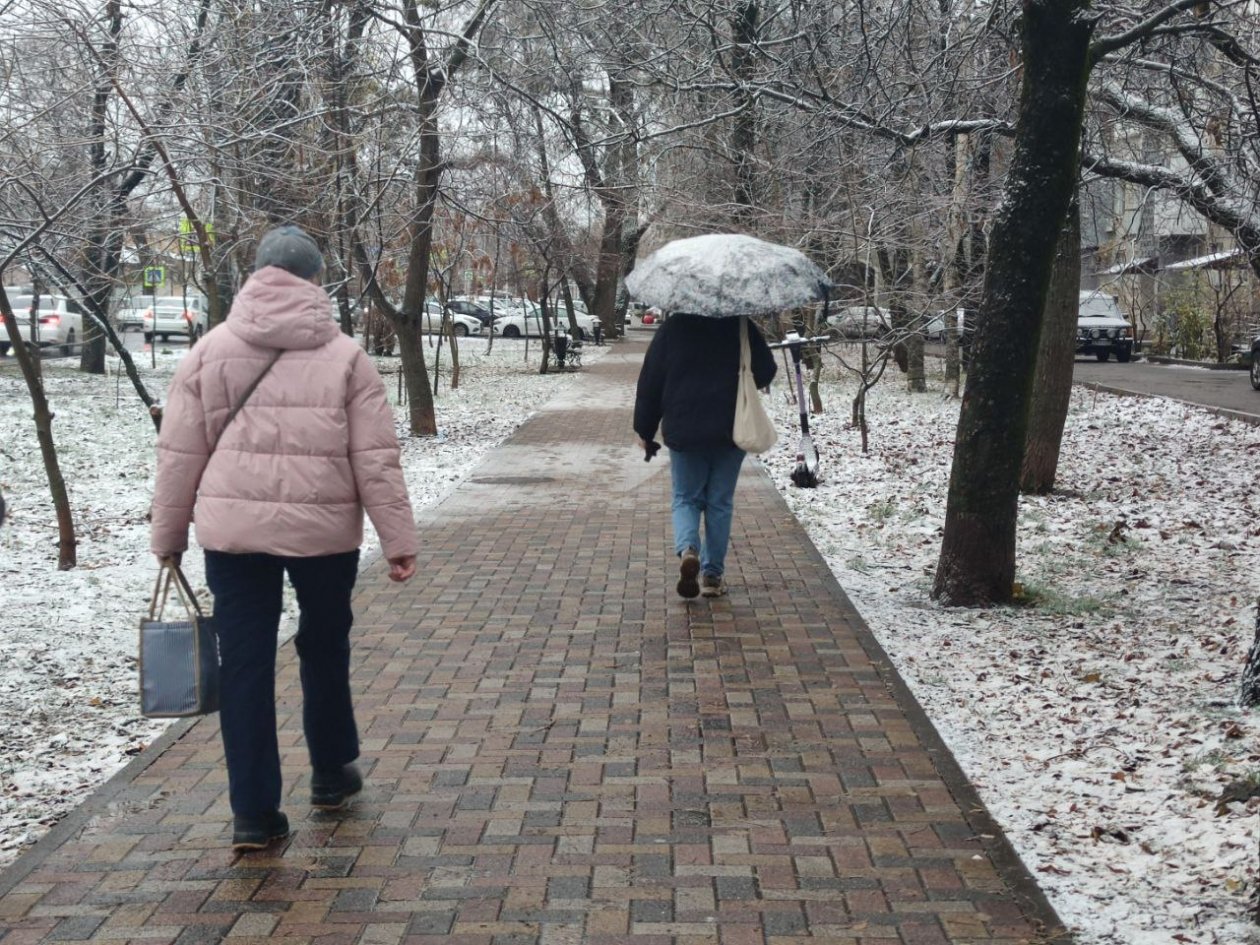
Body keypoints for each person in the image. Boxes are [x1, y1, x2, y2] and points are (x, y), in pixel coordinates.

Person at [150, 225, 418, 852]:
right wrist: (398, 538)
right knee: (324, 648)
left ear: (256, 276)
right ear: (315, 281)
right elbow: (374, 457)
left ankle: (254, 815)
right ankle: (331, 773)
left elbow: (177, 454)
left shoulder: (207, 353)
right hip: (323, 536)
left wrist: (168, 537)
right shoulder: (347, 358)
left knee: (244, 667)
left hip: (233, 540)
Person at [633, 313, 776, 599]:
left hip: (684, 427)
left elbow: (651, 382)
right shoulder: (739, 325)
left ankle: (688, 549)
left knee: (686, 497)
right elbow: (765, 371)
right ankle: (712, 576)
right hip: (729, 426)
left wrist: (645, 430)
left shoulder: (673, 328)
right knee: (719, 503)